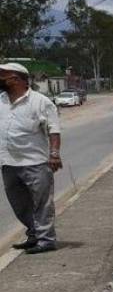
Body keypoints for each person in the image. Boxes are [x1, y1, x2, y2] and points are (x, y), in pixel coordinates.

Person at [0, 62, 62, 254]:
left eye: (3, 75)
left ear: (16, 79)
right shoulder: (1, 100)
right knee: (19, 204)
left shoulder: (41, 102)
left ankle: (46, 240)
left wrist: (54, 155)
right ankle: (34, 234)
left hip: (35, 163)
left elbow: (54, 130)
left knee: (42, 203)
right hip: (8, 163)